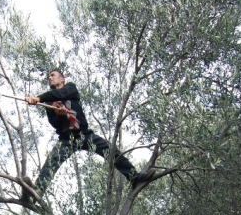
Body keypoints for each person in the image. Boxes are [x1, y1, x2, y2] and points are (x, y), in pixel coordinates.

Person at [24, 69, 153, 199]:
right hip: (66, 140)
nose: (49, 78)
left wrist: (38, 98)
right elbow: (55, 124)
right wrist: (61, 116)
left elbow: (61, 94)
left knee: (111, 151)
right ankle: (35, 194)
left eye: (52, 75)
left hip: (85, 135)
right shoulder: (48, 103)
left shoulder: (70, 88)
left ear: (62, 79)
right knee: (52, 162)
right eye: (48, 76)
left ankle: (134, 177)